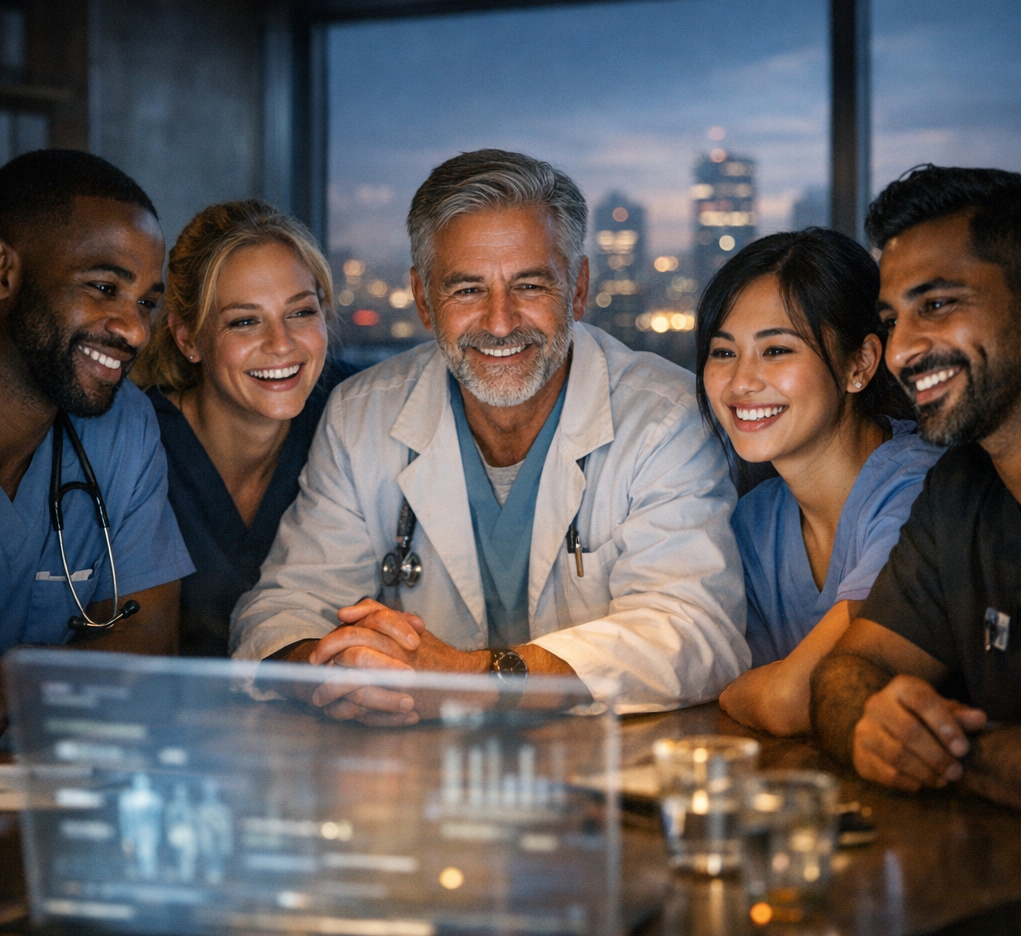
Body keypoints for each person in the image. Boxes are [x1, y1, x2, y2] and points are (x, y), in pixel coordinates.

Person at [231, 149, 748, 723]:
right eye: (468, 290)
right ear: (424, 300)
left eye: (530, 285)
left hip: (612, 776)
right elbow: (281, 611)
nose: (500, 323)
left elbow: (696, 633)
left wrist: (469, 681)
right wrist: (338, 672)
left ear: (577, 289)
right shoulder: (363, 415)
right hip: (415, 773)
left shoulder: (665, 417)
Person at [810, 165, 1021, 809]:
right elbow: (844, 676)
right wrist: (875, 724)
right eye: (892, 318)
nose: (902, 351)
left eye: (937, 305)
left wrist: (949, 754)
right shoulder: (959, 488)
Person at [695, 229, 943, 736]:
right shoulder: (753, 521)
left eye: (777, 350)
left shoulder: (918, 492)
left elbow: (788, 700)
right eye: (723, 353)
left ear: (861, 363)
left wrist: (735, 694)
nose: (741, 381)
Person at [0, 149, 194, 732]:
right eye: (104, 286)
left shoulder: (124, 425)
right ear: (4, 273)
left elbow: (146, 646)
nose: (135, 330)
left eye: (146, 303)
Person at [131, 200, 357, 656]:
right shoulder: (135, 441)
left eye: (300, 313)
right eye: (245, 321)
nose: (281, 344)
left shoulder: (357, 413)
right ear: (188, 338)